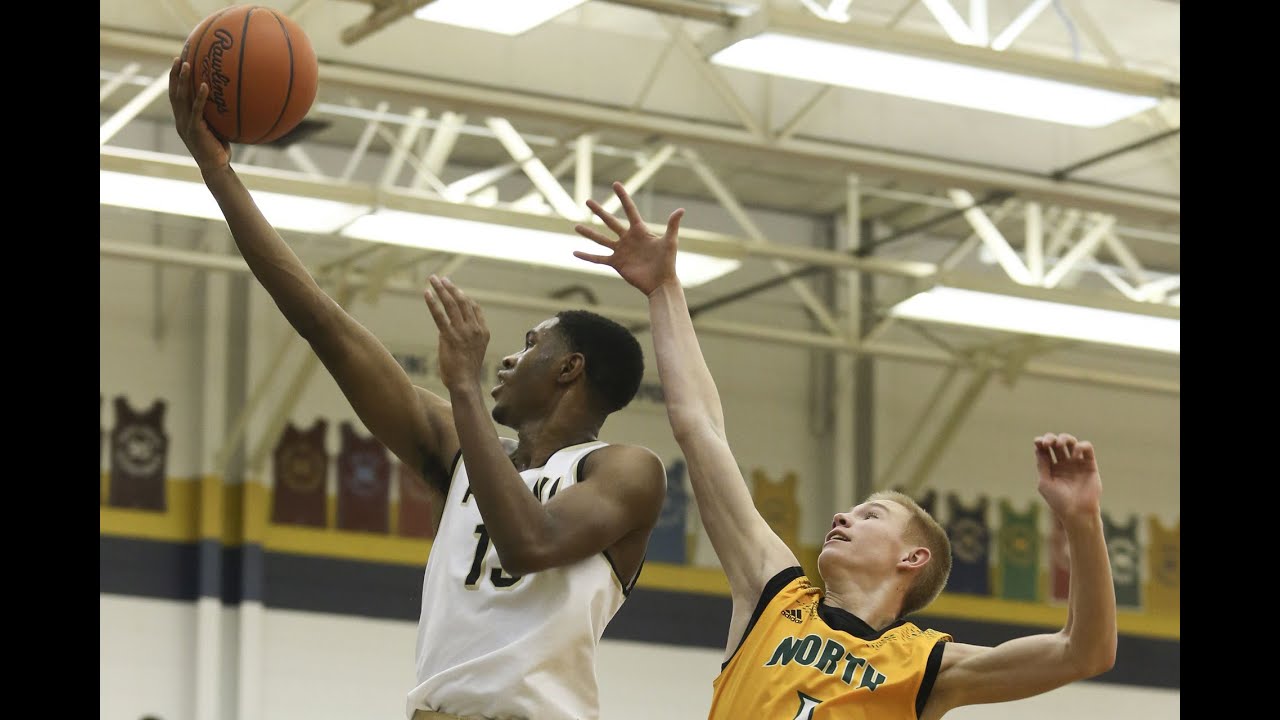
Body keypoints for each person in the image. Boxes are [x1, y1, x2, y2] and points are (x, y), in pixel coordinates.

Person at [168, 61, 667, 720]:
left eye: (528, 344)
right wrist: (218, 174)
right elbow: (327, 327)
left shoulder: (625, 470)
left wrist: (462, 386)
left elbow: (532, 543)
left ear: (569, 369)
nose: (507, 360)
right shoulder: (461, 448)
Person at [573, 182, 1118, 720]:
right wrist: (664, 289)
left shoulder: (928, 668)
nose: (842, 515)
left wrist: (1082, 520)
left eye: (870, 515)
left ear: (913, 558)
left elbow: (1084, 651)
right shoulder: (774, 595)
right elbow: (700, 430)